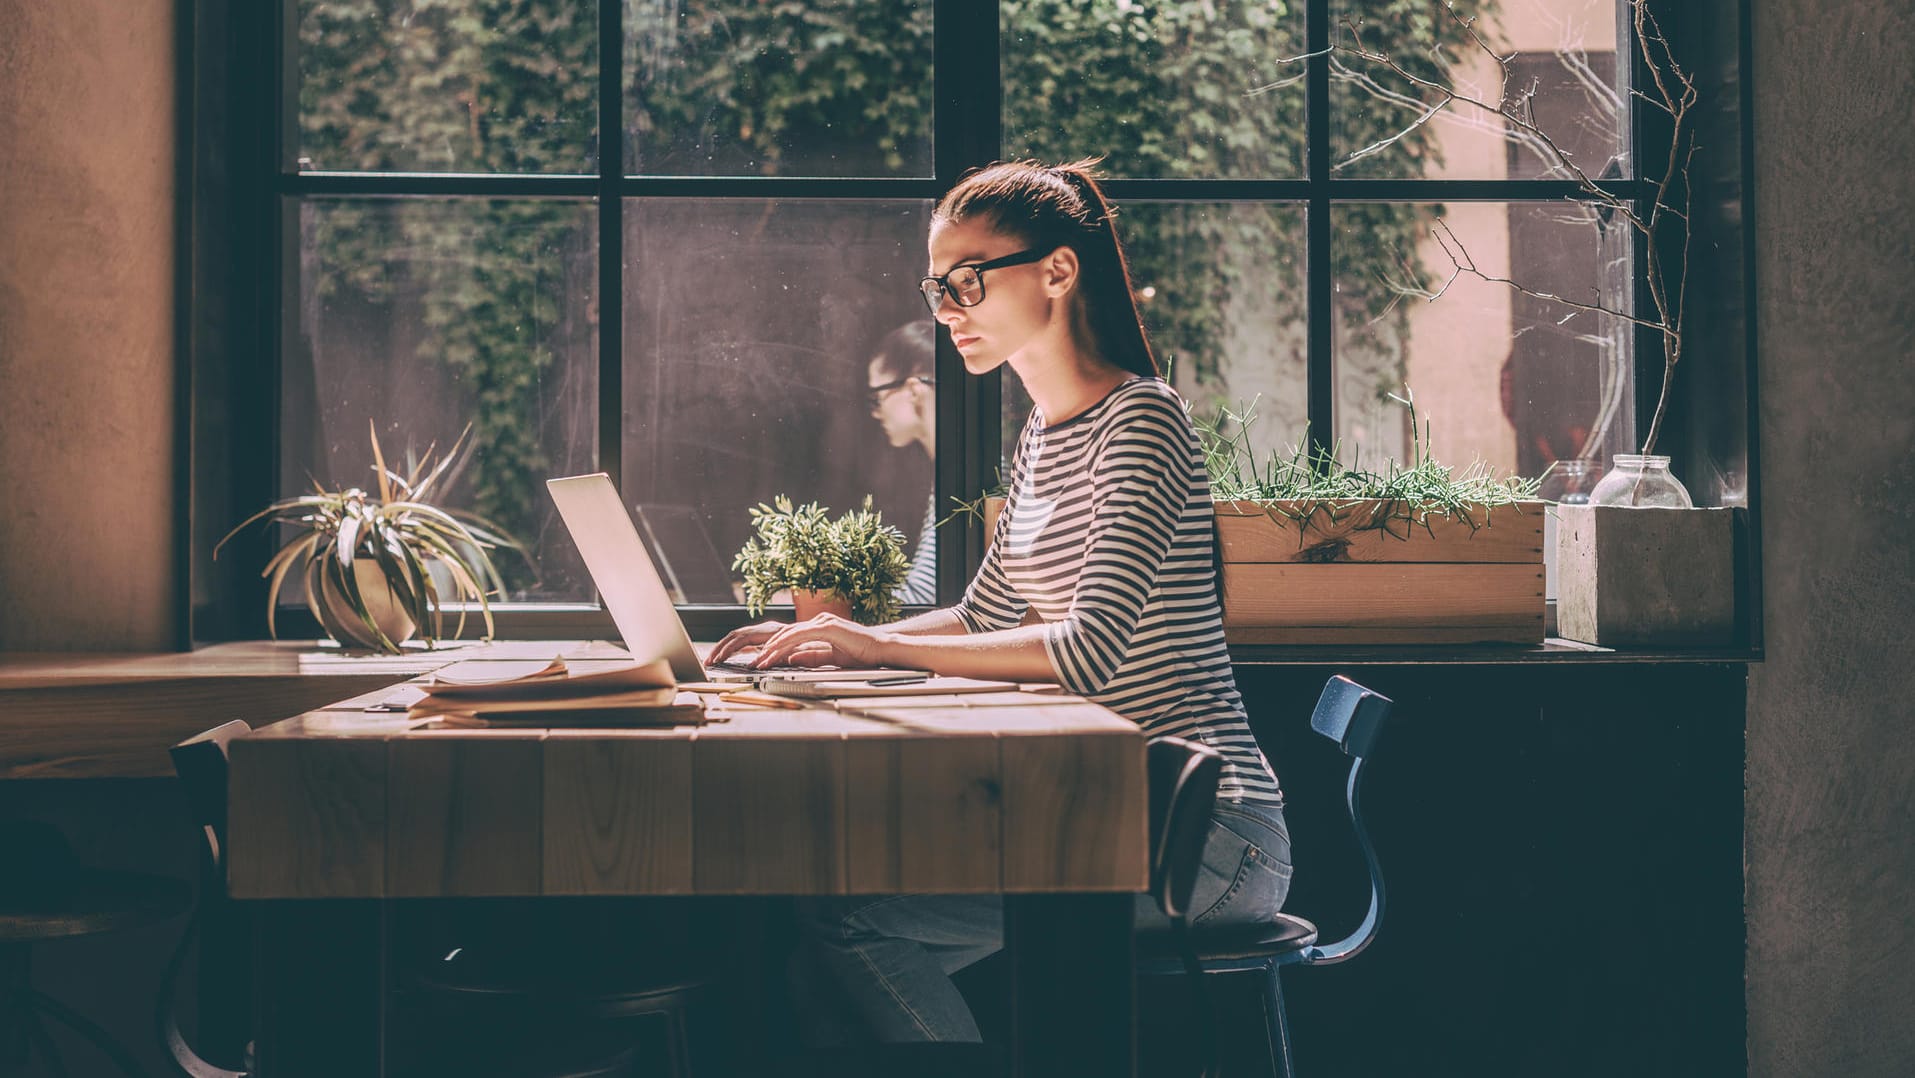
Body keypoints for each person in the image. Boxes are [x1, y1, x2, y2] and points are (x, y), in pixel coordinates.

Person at [711, 158, 1290, 1045]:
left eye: (967, 281)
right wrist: (837, 637)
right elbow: (985, 614)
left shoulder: (1143, 420)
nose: (946, 308)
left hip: (1207, 836)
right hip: (1107, 810)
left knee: (851, 925)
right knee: (813, 950)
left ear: (1057, 272)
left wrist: (878, 649)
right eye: (937, 285)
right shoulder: (1042, 435)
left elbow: (1087, 649)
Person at [865, 321, 938, 606]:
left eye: (877, 397)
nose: (876, 412)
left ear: (912, 390)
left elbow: (924, 599)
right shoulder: (951, 473)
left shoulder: (964, 479)